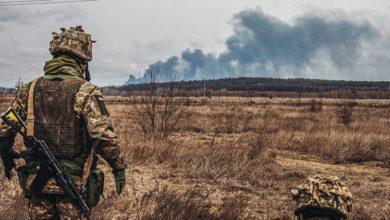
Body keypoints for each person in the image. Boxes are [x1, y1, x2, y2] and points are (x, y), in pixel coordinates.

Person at [0, 25, 126, 219]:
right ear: (82, 59)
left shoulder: (30, 89)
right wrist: (118, 167)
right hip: (73, 183)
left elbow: (5, 129)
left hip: (38, 184)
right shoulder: (86, 90)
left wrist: (6, 157)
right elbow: (102, 135)